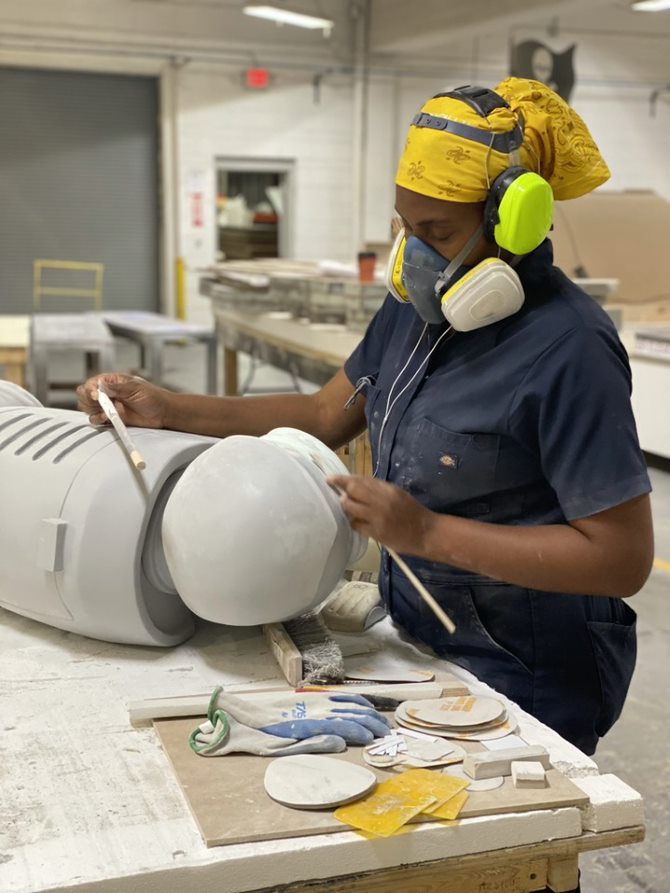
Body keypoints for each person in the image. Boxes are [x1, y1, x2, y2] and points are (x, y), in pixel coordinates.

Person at [79, 78, 653, 761]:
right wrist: (170, 407)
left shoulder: (570, 349)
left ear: (514, 221)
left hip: (530, 668)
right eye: (406, 225)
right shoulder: (419, 307)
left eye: (436, 230)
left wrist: (426, 531)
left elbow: (621, 558)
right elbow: (326, 411)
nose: (415, 251)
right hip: (416, 642)